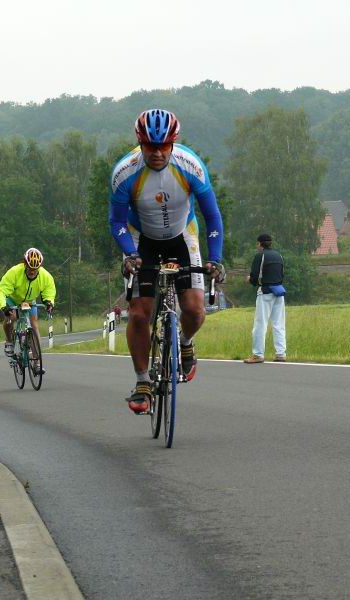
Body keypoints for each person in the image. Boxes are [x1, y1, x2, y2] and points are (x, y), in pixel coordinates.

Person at [109, 109, 226, 414]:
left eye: (164, 146)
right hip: (141, 239)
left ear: (174, 142)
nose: (158, 153)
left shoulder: (191, 166)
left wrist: (215, 259)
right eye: (151, 146)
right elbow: (117, 222)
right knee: (139, 313)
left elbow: (212, 216)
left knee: (195, 309)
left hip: (182, 235)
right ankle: (142, 382)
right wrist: (129, 254)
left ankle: (185, 342)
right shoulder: (124, 172)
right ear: (140, 143)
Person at [0, 248, 56, 373]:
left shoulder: (45, 276)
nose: (32, 271)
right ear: (25, 264)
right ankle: (9, 341)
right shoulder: (14, 272)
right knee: (12, 317)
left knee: (34, 326)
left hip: (30, 301)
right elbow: (0, 291)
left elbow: (49, 290)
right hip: (13, 300)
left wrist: (49, 302)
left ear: (39, 267)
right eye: (30, 268)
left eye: (35, 269)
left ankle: (37, 363)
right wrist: (3, 306)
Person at [244, 233, 286, 364]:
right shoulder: (279, 255)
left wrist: (250, 280)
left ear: (260, 244)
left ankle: (258, 354)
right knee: (279, 324)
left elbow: (255, 276)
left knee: (260, 324)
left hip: (265, 292)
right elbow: (282, 274)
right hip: (279, 292)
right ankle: (281, 353)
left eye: (257, 244)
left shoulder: (260, 256)